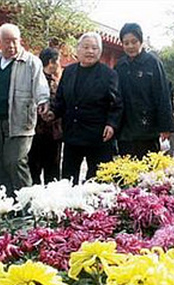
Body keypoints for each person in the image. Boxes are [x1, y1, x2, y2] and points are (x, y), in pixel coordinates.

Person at [0, 23, 50, 197]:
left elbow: (40, 85)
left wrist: (43, 100)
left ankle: (27, 206)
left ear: (20, 41)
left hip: (20, 120)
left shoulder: (31, 61)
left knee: (15, 162)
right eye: (6, 41)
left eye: (14, 41)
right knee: (0, 166)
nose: (10, 45)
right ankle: (8, 206)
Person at [48, 32, 122, 183]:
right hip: (72, 134)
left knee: (97, 182)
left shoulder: (109, 74)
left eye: (94, 48)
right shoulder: (69, 72)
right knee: (68, 180)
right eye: (86, 47)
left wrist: (111, 124)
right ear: (78, 50)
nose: (90, 51)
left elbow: (117, 104)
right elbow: (61, 99)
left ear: (100, 52)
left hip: (98, 136)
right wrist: (52, 113)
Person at [115, 23, 174, 159]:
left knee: (148, 172)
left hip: (148, 128)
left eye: (134, 42)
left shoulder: (153, 62)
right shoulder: (120, 65)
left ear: (140, 41)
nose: (130, 46)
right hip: (126, 129)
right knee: (126, 171)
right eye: (126, 43)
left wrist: (165, 126)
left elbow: (163, 95)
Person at [28, 47, 62, 185]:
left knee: (36, 170)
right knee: (49, 171)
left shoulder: (36, 80)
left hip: (43, 133)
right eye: (58, 61)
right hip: (45, 133)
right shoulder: (42, 82)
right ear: (51, 62)